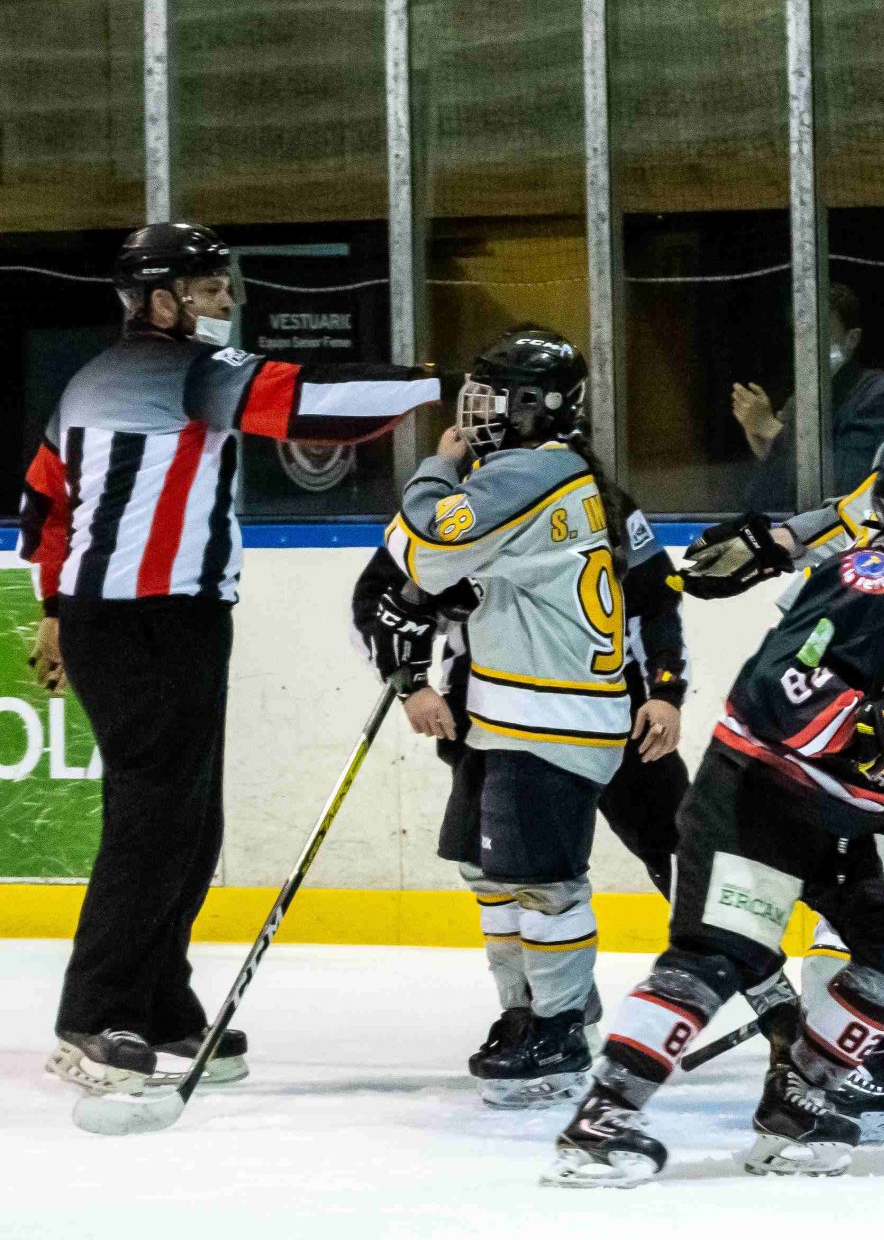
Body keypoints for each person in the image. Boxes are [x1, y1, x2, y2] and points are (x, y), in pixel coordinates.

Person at [546, 438, 884, 1187]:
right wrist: (867, 726)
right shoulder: (877, 578)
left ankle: (799, 1100)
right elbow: (777, 684)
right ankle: (603, 1117)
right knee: (720, 956)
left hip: (862, 821)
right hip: (762, 796)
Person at [20, 223, 438, 1095]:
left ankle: (160, 1001)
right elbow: (317, 407)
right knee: (152, 815)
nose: (225, 302)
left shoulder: (92, 380)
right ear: (162, 302)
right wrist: (437, 383)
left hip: (178, 616)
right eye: (208, 289)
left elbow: (44, 503)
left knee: (189, 815)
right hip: (132, 621)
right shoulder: (185, 372)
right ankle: (94, 1013)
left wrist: (54, 605)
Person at [350, 365, 691, 1100]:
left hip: (556, 715)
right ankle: (529, 1013)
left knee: (558, 882)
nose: (474, 409)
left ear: (537, 407)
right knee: (496, 878)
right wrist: (409, 676)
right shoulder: (539, 478)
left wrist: (666, 689)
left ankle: (563, 1024)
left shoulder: (523, 478)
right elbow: (388, 589)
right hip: (506, 717)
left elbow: (422, 549)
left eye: (492, 394)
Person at [732, 284, 884, 515]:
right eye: (801, 332)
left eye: (822, 331)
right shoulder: (801, 400)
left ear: (851, 338)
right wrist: (762, 441)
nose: (809, 343)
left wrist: (771, 429)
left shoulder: (881, 393)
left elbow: (849, 485)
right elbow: (764, 496)